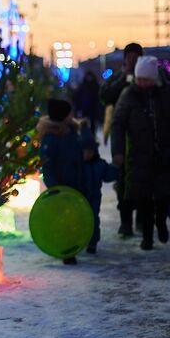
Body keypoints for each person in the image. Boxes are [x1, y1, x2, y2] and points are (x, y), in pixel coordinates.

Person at [110, 56, 170, 251]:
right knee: (144, 199)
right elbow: (117, 124)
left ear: (154, 78)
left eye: (146, 79)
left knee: (164, 195)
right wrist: (118, 151)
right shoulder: (128, 95)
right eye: (139, 79)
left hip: (168, 154)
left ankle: (161, 221)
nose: (142, 83)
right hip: (139, 157)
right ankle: (147, 237)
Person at [38, 98, 118, 262]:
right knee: (65, 220)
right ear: (63, 116)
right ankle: (67, 251)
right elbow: (48, 166)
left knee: (76, 218)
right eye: (70, 113)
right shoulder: (51, 137)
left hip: (77, 183)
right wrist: (54, 187)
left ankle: (78, 244)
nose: (73, 115)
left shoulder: (71, 131)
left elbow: (81, 152)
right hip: (63, 187)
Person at [100, 42, 143, 237]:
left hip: (144, 139)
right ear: (125, 59)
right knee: (123, 180)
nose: (133, 61)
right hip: (122, 138)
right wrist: (124, 80)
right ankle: (126, 222)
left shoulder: (147, 78)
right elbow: (105, 96)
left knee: (144, 180)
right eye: (130, 57)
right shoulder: (118, 78)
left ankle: (142, 220)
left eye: (137, 58)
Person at [72, 70, 102, 135]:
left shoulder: (95, 86)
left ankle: (91, 136)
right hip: (85, 109)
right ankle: (86, 136)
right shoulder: (83, 86)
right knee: (84, 124)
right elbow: (77, 97)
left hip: (93, 109)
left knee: (92, 124)